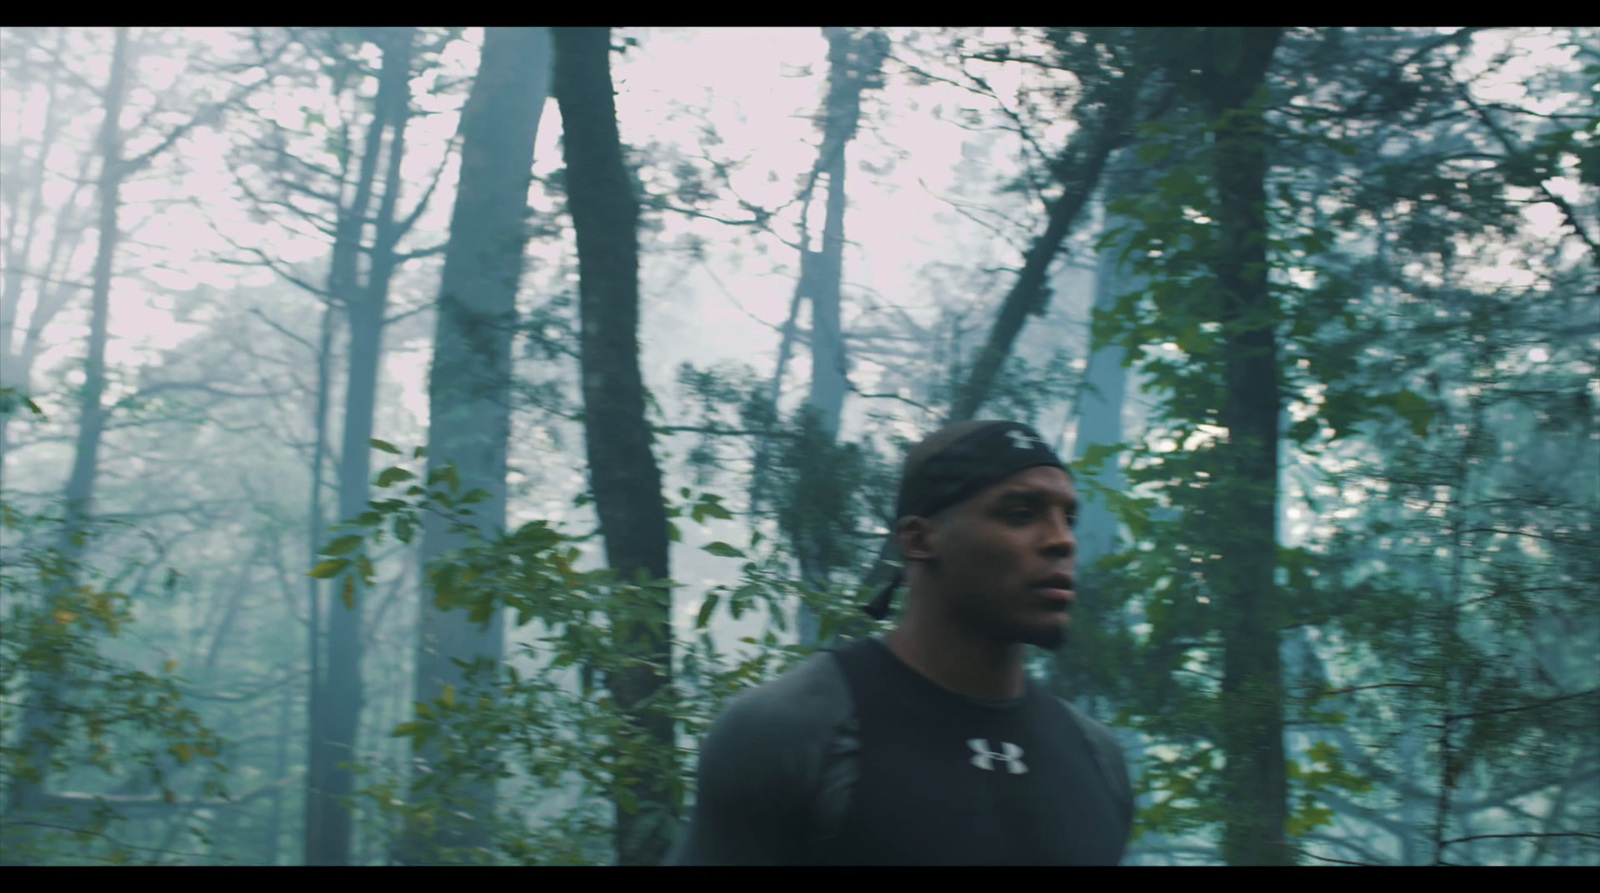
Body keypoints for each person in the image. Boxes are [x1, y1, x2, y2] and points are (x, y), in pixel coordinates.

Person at [664, 419, 1135, 865]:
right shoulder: (791, 732)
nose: (1062, 541)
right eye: (1020, 513)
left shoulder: (1098, 758)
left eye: (1068, 517)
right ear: (918, 540)